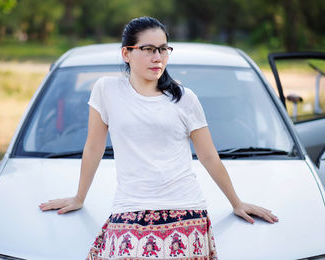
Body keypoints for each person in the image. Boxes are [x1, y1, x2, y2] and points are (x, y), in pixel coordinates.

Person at [39, 16, 278, 259]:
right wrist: (79, 197)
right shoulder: (106, 90)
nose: (158, 57)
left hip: (185, 211)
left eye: (164, 49)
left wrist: (236, 202)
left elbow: (208, 156)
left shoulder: (185, 98)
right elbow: (93, 147)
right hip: (130, 209)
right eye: (148, 49)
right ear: (126, 53)